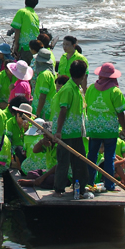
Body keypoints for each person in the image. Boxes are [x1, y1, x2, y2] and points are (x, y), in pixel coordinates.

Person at [52, 59, 93, 199]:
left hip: (76, 132)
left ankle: (81, 188)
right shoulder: (68, 89)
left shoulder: (77, 88)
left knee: (80, 161)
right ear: (82, 75)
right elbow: (63, 111)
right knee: (63, 161)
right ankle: (58, 189)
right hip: (65, 133)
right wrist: (58, 131)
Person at [86, 63, 125, 191]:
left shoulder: (91, 88)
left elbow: (87, 107)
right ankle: (109, 185)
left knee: (92, 155)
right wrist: (123, 129)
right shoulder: (115, 91)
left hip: (94, 128)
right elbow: (120, 113)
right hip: (109, 130)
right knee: (109, 156)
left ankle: (89, 182)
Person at [10, 0, 40, 64]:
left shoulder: (22, 12)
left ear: (25, 2)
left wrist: (16, 44)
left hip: (25, 46)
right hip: (34, 46)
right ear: (35, 5)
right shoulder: (35, 15)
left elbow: (17, 29)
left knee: (23, 68)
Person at [5, 97, 30, 167]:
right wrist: (12, 160)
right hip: (13, 154)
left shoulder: (31, 124)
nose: (24, 121)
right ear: (17, 114)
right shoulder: (10, 123)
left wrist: (26, 131)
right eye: (23, 118)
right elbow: (8, 143)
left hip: (26, 153)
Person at [33, 49, 56, 118]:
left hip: (44, 111)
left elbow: (43, 95)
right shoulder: (48, 73)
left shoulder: (44, 75)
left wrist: (38, 112)